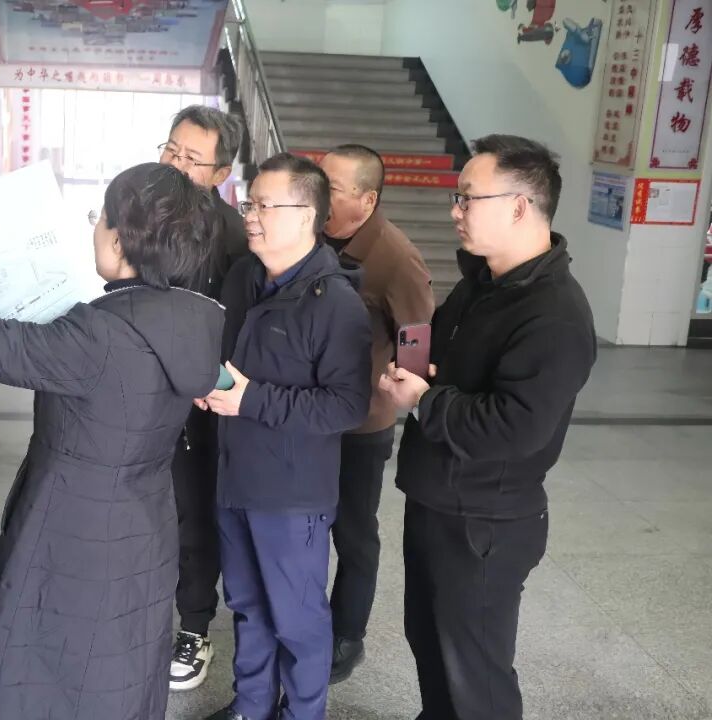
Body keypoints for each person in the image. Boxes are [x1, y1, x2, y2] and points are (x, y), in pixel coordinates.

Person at [0, 163, 227, 720]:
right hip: (143, 520)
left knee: (49, 660)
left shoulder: (100, 335)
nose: (96, 228)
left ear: (120, 240)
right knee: (120, 657)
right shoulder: (191, 319)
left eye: (101, 217)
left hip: (73, 527)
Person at [377, 134, 597, 720]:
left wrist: (425, 400)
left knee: (475, 673)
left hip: (484, 521)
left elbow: (514, 427)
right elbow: (464, 370)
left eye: (467, 197)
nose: (456, 210)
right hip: (438, 498)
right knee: (431, 642)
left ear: (520, 206)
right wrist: (427, 374)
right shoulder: (485, 283)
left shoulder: (554, 313)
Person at [199, 153, 373, 720]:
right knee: (247, 605)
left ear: (306, 216)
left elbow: (347, 405)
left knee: (297, 620)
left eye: (264, 206)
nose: (250, 216)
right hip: (235, 476)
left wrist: (250, 399)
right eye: (249, 204)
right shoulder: (244, 279)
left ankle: (302, 713)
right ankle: (252, 707)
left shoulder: (336, 304)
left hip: (291, 494)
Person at [318, 144, 434, 682]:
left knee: (353, 531)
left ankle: (348, 633)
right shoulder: (314, 234)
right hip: (307, 412)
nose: (319, 195)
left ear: (367, 200)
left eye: (332, 189)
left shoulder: (394, 255)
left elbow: (416, 339)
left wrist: (397, 384)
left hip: (360, 422)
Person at [158, 105, 249, 691]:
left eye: (192, 159)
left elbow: (235, 327)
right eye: (171, 149)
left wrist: (206, 380)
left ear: (220, 174)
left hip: (198, 403)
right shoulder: (141, 211)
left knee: (193, 515)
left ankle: (194, 627)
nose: (175, 164)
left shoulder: (234, 237)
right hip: (141, 391)